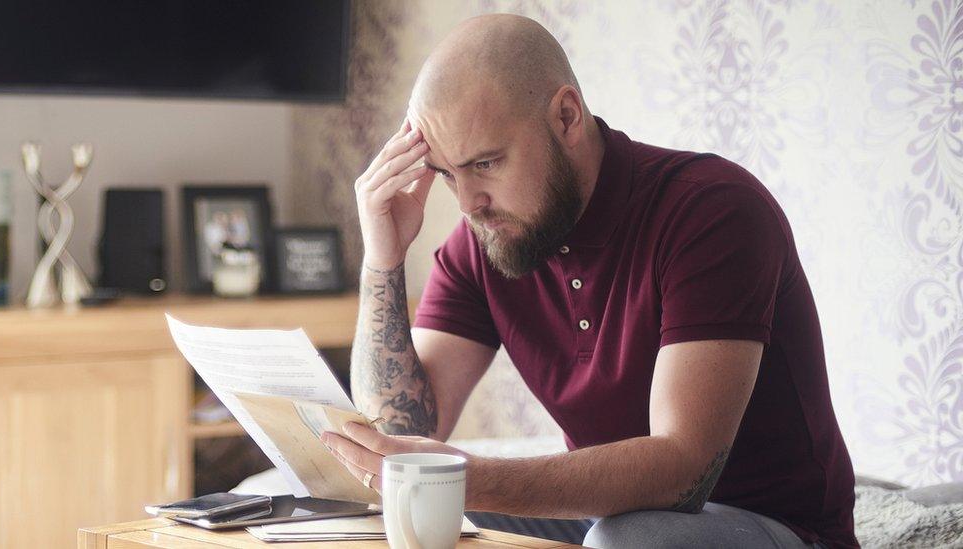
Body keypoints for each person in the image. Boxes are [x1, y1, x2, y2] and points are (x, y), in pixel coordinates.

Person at [319, 13, 858, 549]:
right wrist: (382, 261)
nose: (467, 204)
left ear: (567, 117)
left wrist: (470, 478)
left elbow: (683, 471)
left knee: (627, 541)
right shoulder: (488, 238)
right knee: (378, 518)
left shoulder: (711, 211)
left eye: (485, 163)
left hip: (768, 526)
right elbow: (402, 432)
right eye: (445, 174)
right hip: (608, 516)